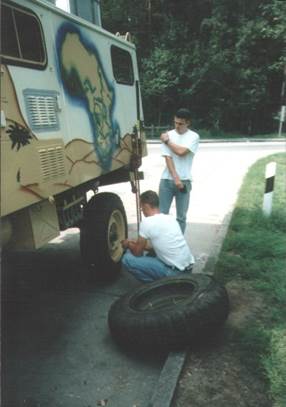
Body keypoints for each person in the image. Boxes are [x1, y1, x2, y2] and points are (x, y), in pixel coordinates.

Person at [121, 190, 194, 283]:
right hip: (188, 269)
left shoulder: (147, 222)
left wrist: (128, 244)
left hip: (175, 274)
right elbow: (161, 247)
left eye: (141, 208)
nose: (142, 210)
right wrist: (136, 243)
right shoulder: (169, 218)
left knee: (127, 259)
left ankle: (156, 287)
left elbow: (137, 253)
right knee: (151, 254)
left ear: (146, 206)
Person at [159, 108, 199, 233]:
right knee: (162, 216)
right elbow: (168, 157)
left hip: (185, 181)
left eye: (180, 123)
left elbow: (181, 152)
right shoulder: (169, 134)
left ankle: (178, 247)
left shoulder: (193, 137)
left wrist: (167, 141)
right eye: (175, 122)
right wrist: (176, 178)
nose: (177, 126)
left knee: (181, 217)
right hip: (167, 181)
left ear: (188, 123)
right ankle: (161, 244)